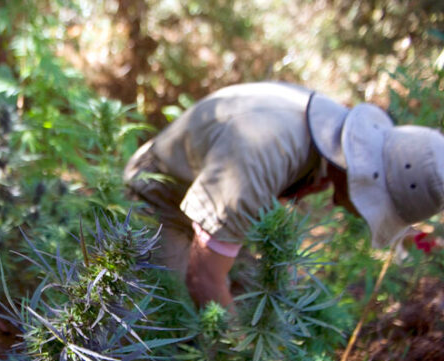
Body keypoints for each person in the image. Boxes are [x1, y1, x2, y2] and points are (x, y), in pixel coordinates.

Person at [123, 82, 444, 308]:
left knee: (267, 293)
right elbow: (204, 278)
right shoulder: (263, 153)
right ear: (366, 178)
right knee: (172, 311)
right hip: (158, 196)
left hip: (208, 201)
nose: (360, 214)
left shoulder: (329, 136)